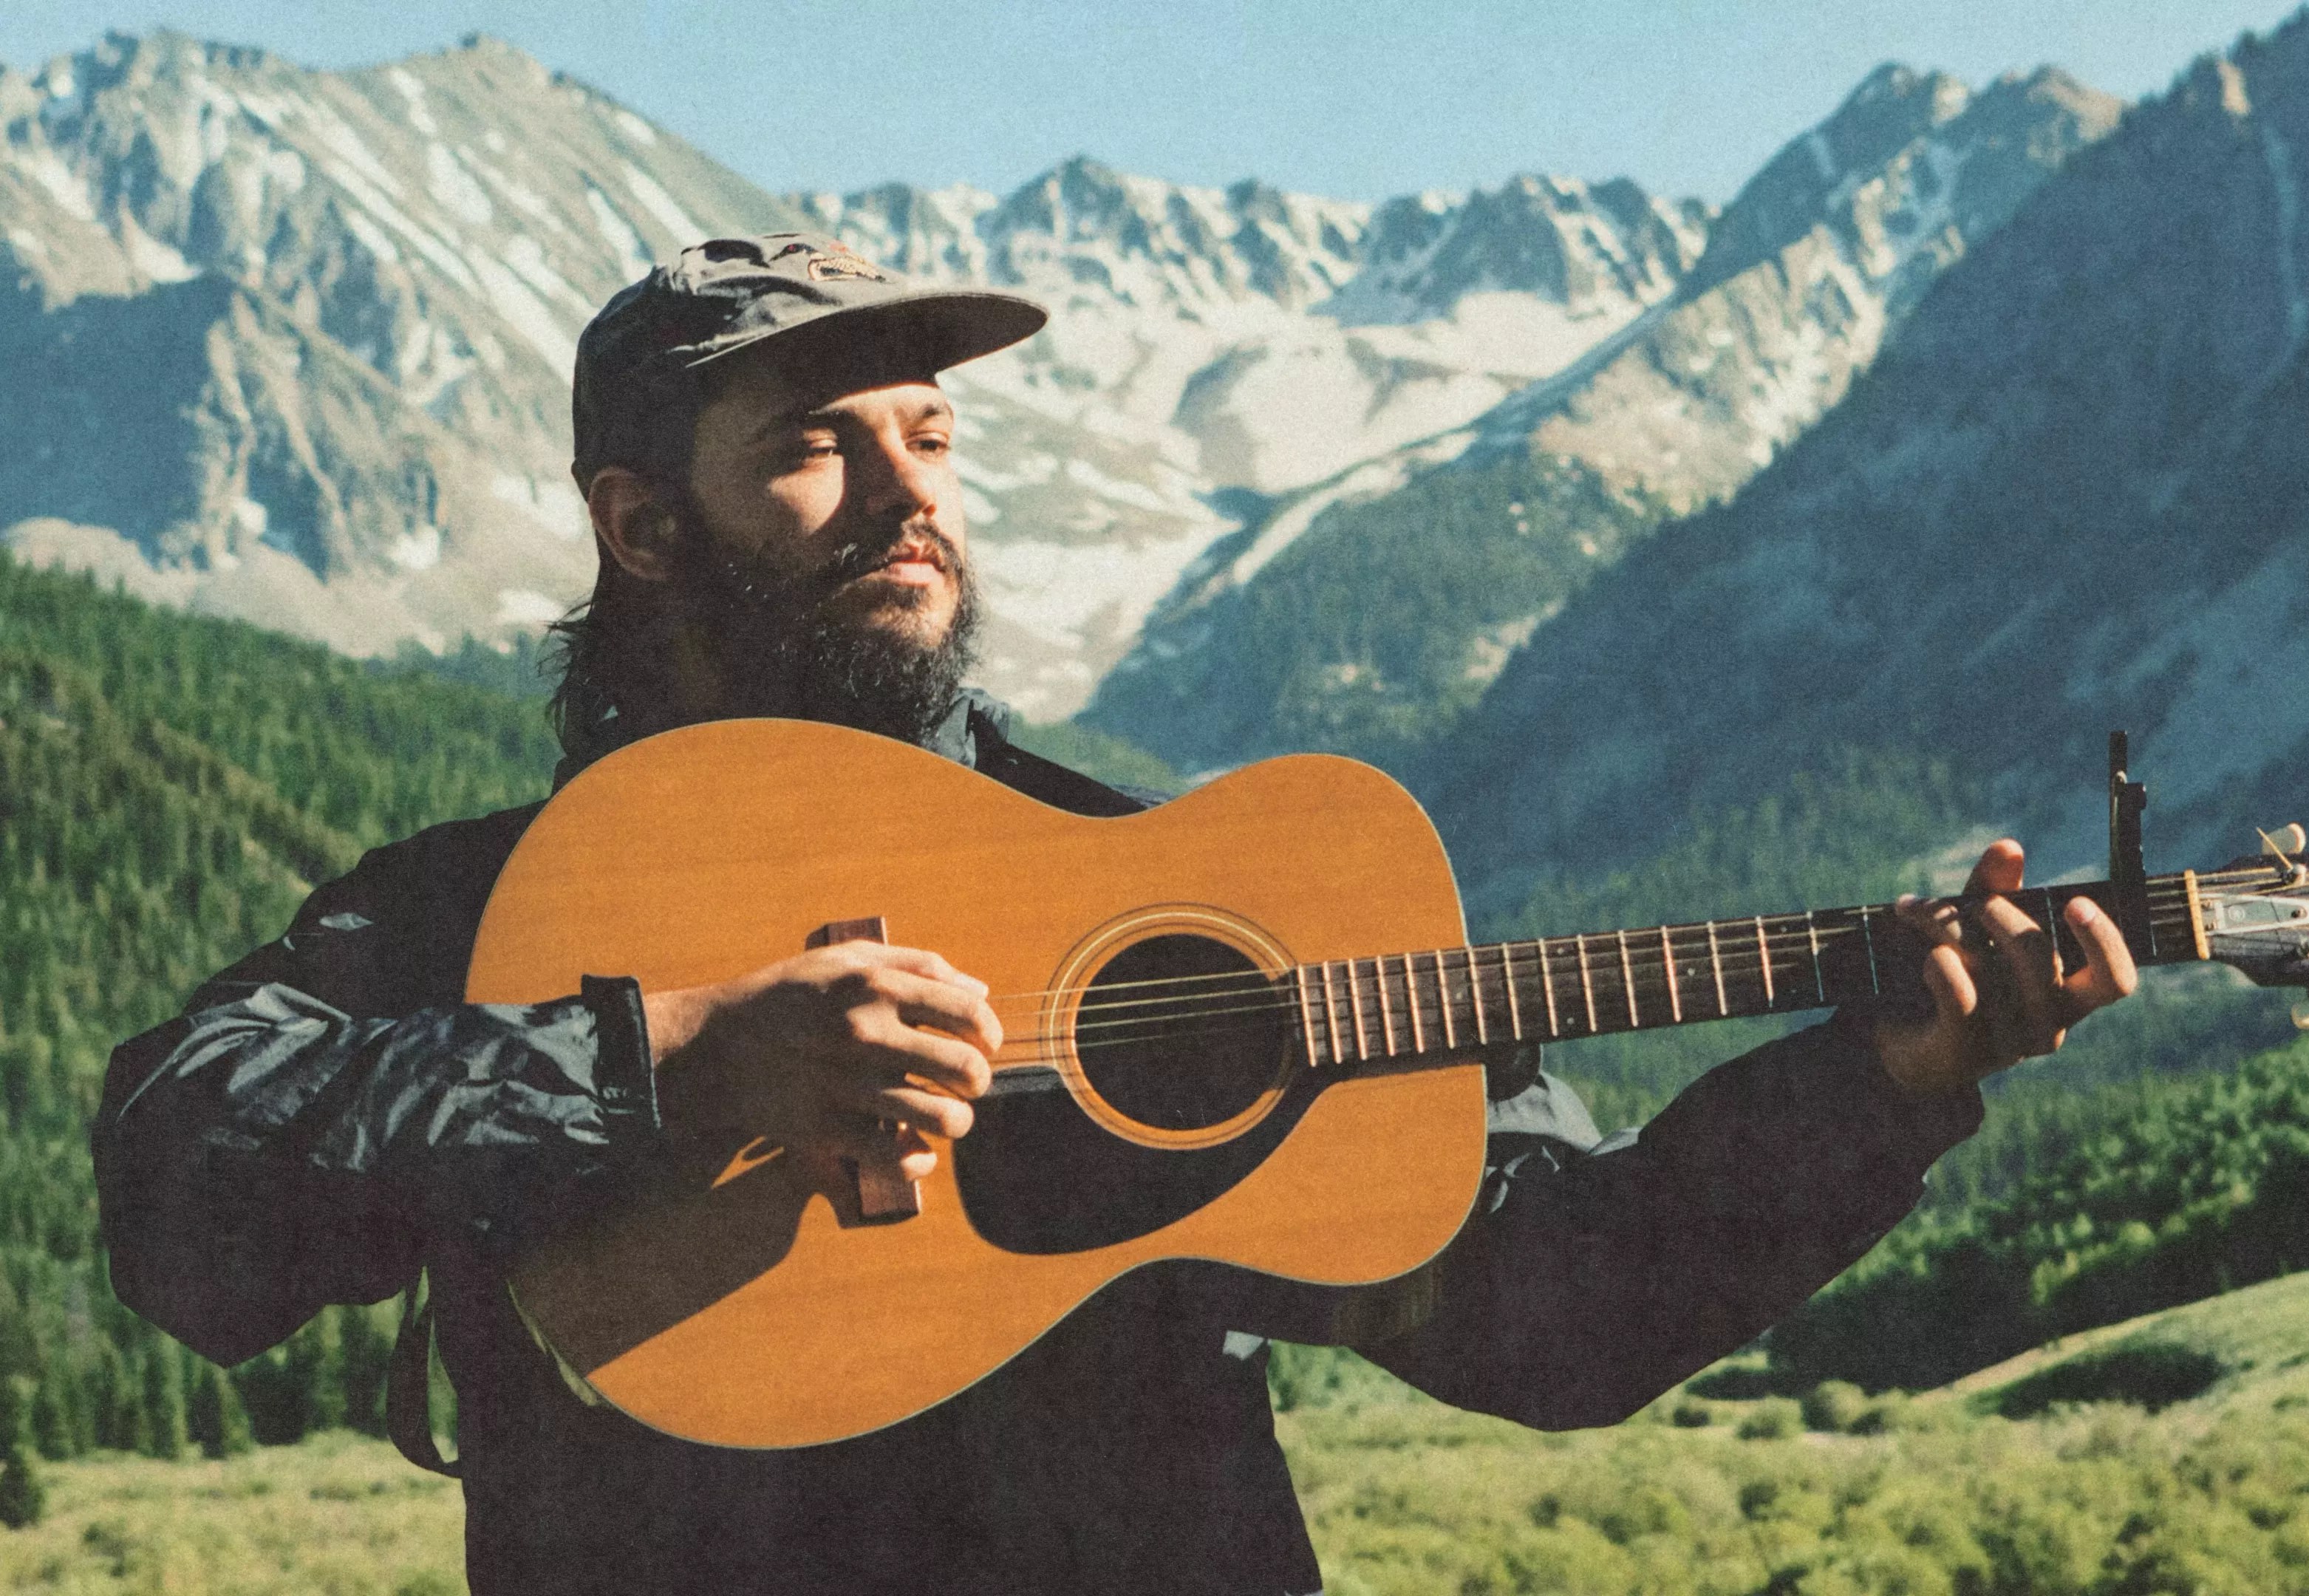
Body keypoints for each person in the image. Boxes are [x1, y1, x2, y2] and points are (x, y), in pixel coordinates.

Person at [95, 234, 2138, 1595]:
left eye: (929, 436)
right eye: (813, 444)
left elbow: (1557, 1308)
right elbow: (182, 1190)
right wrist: (672, 1059)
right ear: (640, 525)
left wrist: (1884, 1088)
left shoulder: (1204, 898)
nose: (913, 495)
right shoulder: (476, 909)